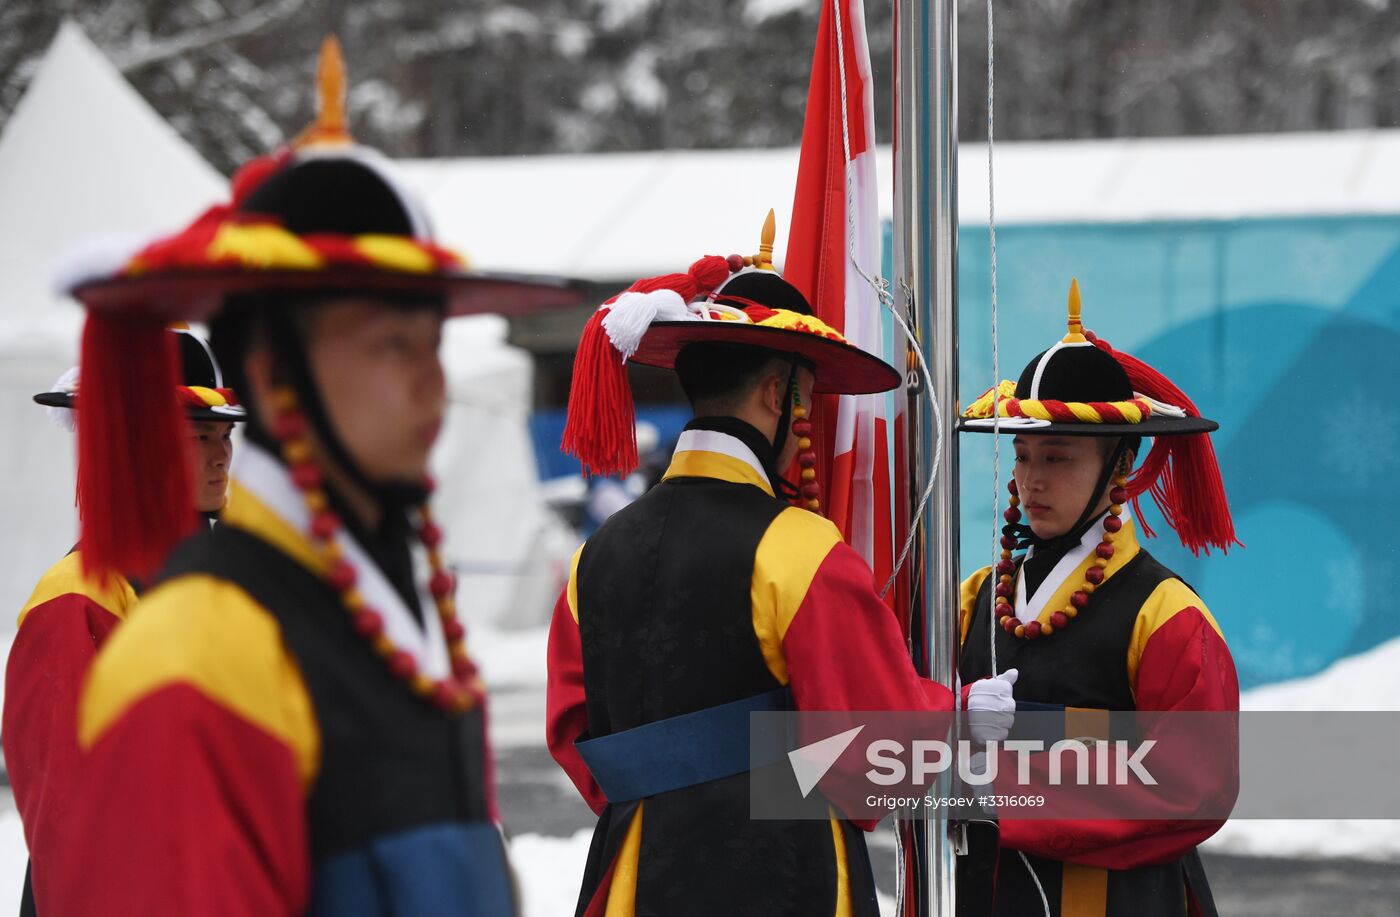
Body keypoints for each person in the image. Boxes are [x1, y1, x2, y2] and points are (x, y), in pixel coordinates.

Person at [49, 38, 573, 917]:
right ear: (273, 368)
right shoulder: (200, 650)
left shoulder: (376, 604)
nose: (431, 381)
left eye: (433, 342)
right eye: (389, 344)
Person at [547, 221, 1014, 916]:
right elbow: (872, 743)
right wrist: (959, 716)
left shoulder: (594, 555)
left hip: (630, 876)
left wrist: (670, 788)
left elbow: (574, 735)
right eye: (807, 398)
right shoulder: (797, 547)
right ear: (778, 395)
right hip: (779, 875)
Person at [955, 280, 1240, 917]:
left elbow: (1193, 786)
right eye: (1023, 455)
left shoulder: (1166, 616)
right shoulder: (975, 598)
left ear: (1120, 465)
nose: (1031, 480)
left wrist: (1001, 789)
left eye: (1056, 458)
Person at [3, 328, 244, 916]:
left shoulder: (232, 579)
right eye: (199, 436)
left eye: (224, 435)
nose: (221, 456)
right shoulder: (77, 598)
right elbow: (69, 822)